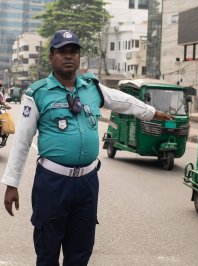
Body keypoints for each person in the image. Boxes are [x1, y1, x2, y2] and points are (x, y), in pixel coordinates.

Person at [1, 30, 173, 265]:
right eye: (62, 51)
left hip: (87, 183)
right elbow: (21, 142)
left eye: (73, 51)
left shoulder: (93, 88)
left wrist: (151, 112)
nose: (68, 56)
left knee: (81, 251)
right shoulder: (38, 93)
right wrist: (12, 184)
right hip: (52, 183)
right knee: (47, 251)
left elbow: (123, 101)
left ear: (79, 57)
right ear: (52, 56)